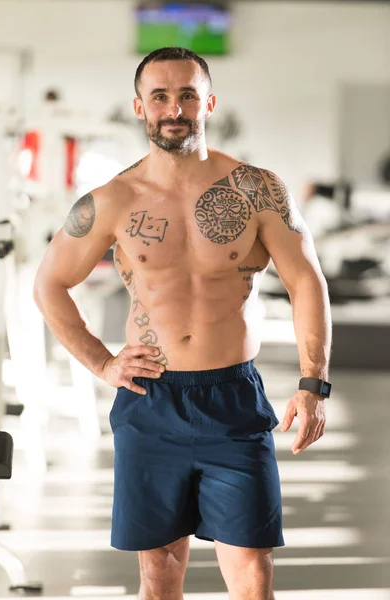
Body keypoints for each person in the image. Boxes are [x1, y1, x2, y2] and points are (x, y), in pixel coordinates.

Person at [33, 47, 332, 600]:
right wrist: (101, 361)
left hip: (233, 398)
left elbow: (307, 281)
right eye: (161, 96)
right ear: (140, 108)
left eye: (188, 94)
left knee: (253, 577)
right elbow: (49, 283)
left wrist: (313, 383)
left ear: (209, 102)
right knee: (159, 576)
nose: (176, 108)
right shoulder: (113, 199)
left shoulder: (257, 190)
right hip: (151, 400)